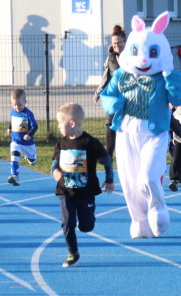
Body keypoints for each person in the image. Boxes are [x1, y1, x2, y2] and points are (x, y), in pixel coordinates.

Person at [51, 102, 114, 268]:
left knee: (86, 226)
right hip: (65, 190)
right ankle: (73, 252)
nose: (58, 126)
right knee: (67, 222)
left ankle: (89, 217)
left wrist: (109, 179)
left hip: (86, 192)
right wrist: (55, 171)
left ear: (72, 123)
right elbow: (55, 162)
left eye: (60, 123)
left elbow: (107, 160)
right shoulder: (62, 143)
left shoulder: (90, 143)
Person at [94, 28, 126, 158]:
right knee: (110, 125)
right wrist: (98, 92)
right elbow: (106, 76)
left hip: (130, 97)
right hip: (114, 96)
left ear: (125, 41)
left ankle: (128, 153)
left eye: (119, 43)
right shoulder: (111, 58)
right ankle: (108, 155)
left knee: (127, 125)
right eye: (114, 43)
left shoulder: (132, 56)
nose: (116, 46)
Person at [7, 88, 39, 185]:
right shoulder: (12, 111)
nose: (17, 107)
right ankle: (15, 176)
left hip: (27, 143)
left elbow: (35, 126)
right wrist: (9, 128)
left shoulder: (28, 114)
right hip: (16, 141)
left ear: (25, 102)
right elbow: (12, 120)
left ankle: (31, 157)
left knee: (32, 161)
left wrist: (29, 134)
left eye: (19, 105)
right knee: (14, 158)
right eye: (14, 105)